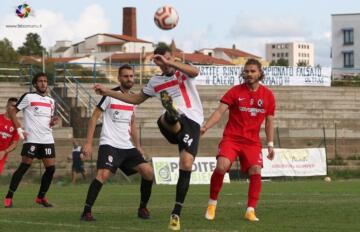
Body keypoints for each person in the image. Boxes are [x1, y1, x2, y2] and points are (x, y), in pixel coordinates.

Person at [94, 45, 204, 231]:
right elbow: (136, 99)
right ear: (157, 62)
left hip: (192, 122)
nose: (165, 63)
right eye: (162, 60)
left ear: (172, 58)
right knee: (166, 117)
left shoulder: (182, 72)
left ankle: (176, 214)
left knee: (186, 163)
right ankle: (171, 115)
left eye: (168, 59)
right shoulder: (155, 81)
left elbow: (195, 71)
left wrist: (170, 62)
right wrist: (107, 91)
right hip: (171, 124)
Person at [202, 59, 275, 222]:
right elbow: (220, 111)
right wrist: (205, 127)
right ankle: (212, 204)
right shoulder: (235, 91)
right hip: (232, 138)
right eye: (246, 71)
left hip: (252, 142)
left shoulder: (268, 95)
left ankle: (250, 210)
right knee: (222, 166)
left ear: (260, 73)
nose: (249, 74)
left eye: (252, 71)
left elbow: (270, 121)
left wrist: (270, 144)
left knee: (256, 170)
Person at [80, 64, 154, 221]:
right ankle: (87, 211)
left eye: (131, 76)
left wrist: (138, 146)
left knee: (148, 172)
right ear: (119, 78)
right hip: (110, 144)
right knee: (103, 174)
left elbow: (132, 123)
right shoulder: (110, 95)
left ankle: (142, 208)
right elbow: (94, 117)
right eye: (126, 76)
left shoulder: (133, 98)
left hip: (127, 147)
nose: (129, 79)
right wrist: (88, 143)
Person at [4, 72, 58, 208]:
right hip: (32, 139)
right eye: (40, 81)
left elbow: (47, 120)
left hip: (47, 139)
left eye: (45, 81)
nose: (43, 83)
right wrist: (18, 128)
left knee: (51, 169)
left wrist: (52, 122)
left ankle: (41, 197)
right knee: (24, 167)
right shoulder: (28, 97)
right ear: (35, 84)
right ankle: (9, 196)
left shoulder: (51, 101)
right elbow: (12, 112)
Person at [0, 98, 20, 175]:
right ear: (7, 106)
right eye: (12, 106)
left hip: (1, 154)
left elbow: (14, 144)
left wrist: (4, 152)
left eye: (16, 107)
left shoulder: (17, 125)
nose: (14, 108)